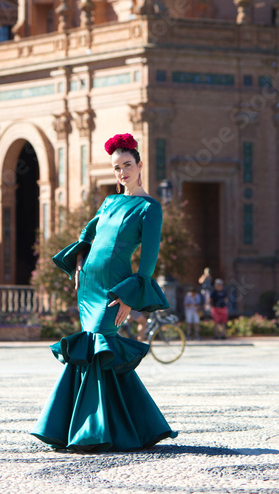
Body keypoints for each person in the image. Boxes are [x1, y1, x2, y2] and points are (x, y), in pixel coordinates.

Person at [31, 133, 177, 452]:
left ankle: (97, 429)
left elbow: (148, 262)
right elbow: (88, 233)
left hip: (114, 290)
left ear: (140, 165)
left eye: (127, 165)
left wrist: (128, 296)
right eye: (116, 168)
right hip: (89, 288)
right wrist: (80, 262)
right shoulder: (110, 201)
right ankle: (108, 428)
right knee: (94, 351)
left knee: (100, 346)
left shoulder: (150, 208)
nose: (122, 172)